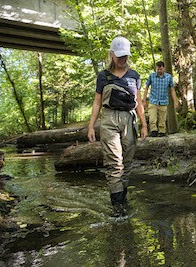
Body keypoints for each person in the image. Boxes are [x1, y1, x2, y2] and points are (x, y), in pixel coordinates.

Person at [87, 36, 148, 217]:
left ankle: (123, 198)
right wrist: (91, 126)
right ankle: (117, 207)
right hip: (109, 120)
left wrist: (144, 124)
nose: (122, 59)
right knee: (115, 163)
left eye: (125, 56)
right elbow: (97, 103)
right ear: (112, 54)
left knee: (127, 162)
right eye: (119, 56)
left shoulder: (134, 76)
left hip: (129, 120)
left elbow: (138, 102)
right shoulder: (103, 76)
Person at [142, 61, 178, 137]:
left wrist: (175, 101)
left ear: (163, 68)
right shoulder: (152, 76)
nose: (159, 71)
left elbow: (172, 89)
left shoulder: (168, 77)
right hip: (153, 100)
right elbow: (146, 88)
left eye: (160, 69)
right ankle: (153, 131)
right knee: (152, 119)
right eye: (158, 69)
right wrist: (144, 100)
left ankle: (162, 132)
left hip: (163, 101)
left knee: (162, 120)